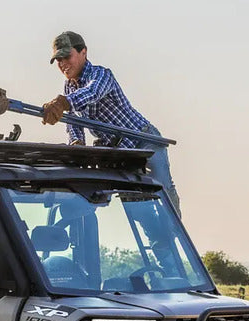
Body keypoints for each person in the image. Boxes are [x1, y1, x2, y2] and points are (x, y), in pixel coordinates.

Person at [41, 30, 181, 214]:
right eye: (58, 60)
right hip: (119, 152)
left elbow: (92, 93)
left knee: (162, 190)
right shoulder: (69, 87)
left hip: (143, 140)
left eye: (67, 56)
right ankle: (158, 242)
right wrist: (77, 144)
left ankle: (174, 233)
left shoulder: (101, 75)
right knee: (134, 204)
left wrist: (63, 102)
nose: (63, 64)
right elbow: (72, 120)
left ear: (84, 52)